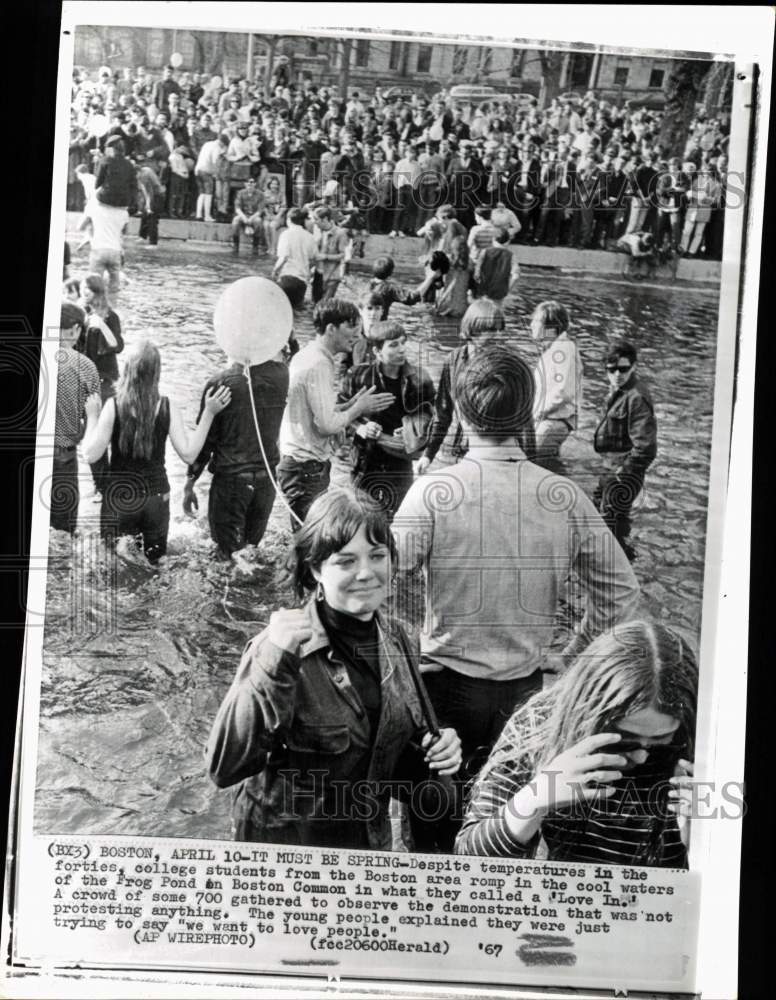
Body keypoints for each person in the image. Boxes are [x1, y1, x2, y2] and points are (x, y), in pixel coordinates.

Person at [393, 341, 640, 850]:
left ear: (460, 410)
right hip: (530, 696)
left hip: (444, 694)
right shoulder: (565, 496)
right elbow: (620, 595)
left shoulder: (434, 493)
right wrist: (571, 657)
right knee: (508, 840)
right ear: (527, 412)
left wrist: (403, 658)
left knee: (430, 847)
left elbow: (374, 583)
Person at [206, 487, 462, 849]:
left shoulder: (401, 638)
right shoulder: (279, 647)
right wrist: (271, 665)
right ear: (315, 569)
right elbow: (224, 767)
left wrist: (438, 749)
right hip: (286, 853)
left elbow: (389, 756)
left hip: (366, 845)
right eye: (346, 561)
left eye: (377, 556)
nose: (366, 573)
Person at [455, 620, 697, 868]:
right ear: (589, 711)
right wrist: (535, 798)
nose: (641, 757)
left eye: (660, 741)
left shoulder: (702, 744)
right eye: (625, 739)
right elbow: (468, 859)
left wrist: (701, 846)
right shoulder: (540, 724)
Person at [82, 340, 231, 563]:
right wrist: (209, 413)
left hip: (120, 500)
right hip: (156, 499)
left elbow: (90, 455)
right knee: (155, 565)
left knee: (116, 566)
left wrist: (92, 416)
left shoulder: (114, 405)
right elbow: (189, 455)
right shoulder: (167, 407)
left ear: (127, 370)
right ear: (157, 373)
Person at [277, 298, 396, 528]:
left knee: (307, 537)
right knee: (310, 541)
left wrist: (349, 404)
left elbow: (313, 414)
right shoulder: (319, 364)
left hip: (298, 464)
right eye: (351, 328)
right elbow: (328, 426)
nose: (358, 335)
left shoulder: (308, 355)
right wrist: (359, 408)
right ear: (331, 329)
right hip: (305, 468)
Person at [183, 343, 290, 560]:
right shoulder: (282, 376)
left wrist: (190, 482)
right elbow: (286, 353)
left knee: (227, 556)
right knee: (250, 553)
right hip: (266, 482)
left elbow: (205, 443)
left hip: (232, 483)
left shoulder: (220, 384)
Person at [341, 320, 435, 517]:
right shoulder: (357, 375)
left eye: (403, 342)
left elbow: (429, 415)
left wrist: (412, 429)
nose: (402, 349)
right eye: (393, 345)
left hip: (400, 459)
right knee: (361, 516)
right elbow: (339, 413)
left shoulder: (420, 378)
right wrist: (360, 428)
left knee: (399, 516)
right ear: (376, 351)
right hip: (365, 459)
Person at [593, 340, 657, 562]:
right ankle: (625, 562)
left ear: (634, 367)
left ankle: (621, 566)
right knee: (602, 519)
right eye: (612, 370)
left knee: (609, 526)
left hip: (621, 474)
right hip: (610, 469)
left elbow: (645, 448)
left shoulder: (636, 398)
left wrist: (623, 474)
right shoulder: (619, 391)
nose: (617, 374)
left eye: (623, 369)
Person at [51, 303, 100, 535]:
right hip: (63, 458)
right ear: (74, 329)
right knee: (63, 531)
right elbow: (93, 415)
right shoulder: (84, 366)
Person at [76, 273, 125, 497]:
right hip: (86, 380)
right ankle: (101, 486)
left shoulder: (110, 316)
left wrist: (101, 326)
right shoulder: (81, 314)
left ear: (97, 291)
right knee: (92, 431)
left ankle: (110, 485)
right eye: (82, 289)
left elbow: (117, 346)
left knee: (109, 431)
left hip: (107, 381)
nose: (83, 292)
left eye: (87, 289)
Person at [529, 300, 583, 473]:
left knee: (531, 462)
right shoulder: (554, 349)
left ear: (550, 326)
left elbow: (563, 392)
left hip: (554, 419)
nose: (531, 325)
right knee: (547, 466)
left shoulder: (564, 349)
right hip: (549, 418)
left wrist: (537, 412)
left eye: (536, 321)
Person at [272, 206, 318, 309]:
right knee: (296, 311)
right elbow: (315, 259)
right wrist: (307, 270)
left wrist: (274, 272)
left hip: (286, 278)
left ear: (288, 220)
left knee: (282, 310)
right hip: (301, 282)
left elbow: (283, 258)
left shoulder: (286, 234)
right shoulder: (310, 236)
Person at [474, 227, 520, 306]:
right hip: (500, 291)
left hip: (484, 288)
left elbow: (477, 274)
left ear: (493, 238)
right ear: (507, 240)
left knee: (482, 310)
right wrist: (507, 289)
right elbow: (516, 276)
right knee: (496, 313)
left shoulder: (485, 252)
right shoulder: (511, 255)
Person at [231, 176, 265, 256]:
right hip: (243, 215)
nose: (250, 184)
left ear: (255, 184)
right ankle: (236, 245)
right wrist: (244, 218)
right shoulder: (240, 193)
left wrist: (251, 218)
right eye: (248, 182)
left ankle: (255, 245)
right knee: (235, 221)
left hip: (254, 215)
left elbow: (260, 210)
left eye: (252, 182)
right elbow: (237, 208)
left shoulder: (260, 194)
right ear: (245, 184)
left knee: (258, 221)